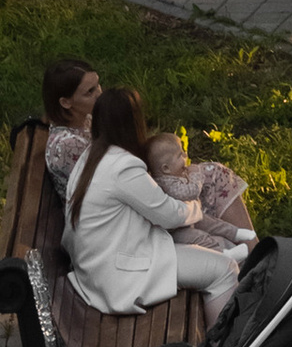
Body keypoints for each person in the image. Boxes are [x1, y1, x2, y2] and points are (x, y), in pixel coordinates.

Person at [64, 89, 235, 319]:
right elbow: (170, 215)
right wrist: (196, 208)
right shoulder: (124, 167)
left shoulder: (90, 156)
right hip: (119, 278)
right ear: (134, 122)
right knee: (225, 270)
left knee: (207, 252)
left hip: (95, 267)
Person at [145, 130, 259, 270]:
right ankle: (225, 254)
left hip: (188, 216)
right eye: (180, 155)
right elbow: (191, 192)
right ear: (166, 168)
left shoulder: (167, 176)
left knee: (213, 223)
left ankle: (237, 233)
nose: (186, 156)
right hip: (178, 228)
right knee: (200, 238)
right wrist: (196, 176)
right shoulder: (168, 184)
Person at [39, 57, 100, 204]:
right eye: (90, 92)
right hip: (94, 216)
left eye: (97, 85)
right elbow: (98, 186)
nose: (99, 93)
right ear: (66, 102)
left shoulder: (83, 118)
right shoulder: (68, 145)